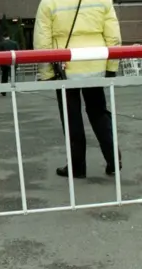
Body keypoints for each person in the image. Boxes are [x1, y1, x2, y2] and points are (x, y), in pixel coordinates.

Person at [33, 0, 122, 178]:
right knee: (99, 114)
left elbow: (42, 42)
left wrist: (47, 73)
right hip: (95, 65)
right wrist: (111, 67)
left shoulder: (49, 2)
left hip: (65, 66)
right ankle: (113, 160)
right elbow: (114, 37)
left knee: (71, 118)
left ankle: (77, 166)